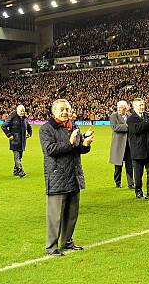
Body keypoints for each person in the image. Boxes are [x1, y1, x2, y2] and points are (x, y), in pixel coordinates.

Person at [39, 99, 94, 256]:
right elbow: (50, 149)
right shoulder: (46, 129)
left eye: (67, 109)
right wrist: (70, 143)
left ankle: (67, 241)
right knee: (55, 215)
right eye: (62, 109)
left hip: (74, 174)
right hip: (57, 175)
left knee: (72, 213)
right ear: (54, 111)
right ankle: (51, 246)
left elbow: (79, 150)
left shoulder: (73, 126)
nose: (65, 112)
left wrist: (85, 143)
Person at [127, 98, 149, 200]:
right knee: (138, 173)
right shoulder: (131, 119)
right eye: (140, 105)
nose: (142, 107)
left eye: (143, 104)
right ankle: (139, 192)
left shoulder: (147, 115)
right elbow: (137, 129)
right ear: (134, 107)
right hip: (138, 150)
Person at [2, 105, 33, 177]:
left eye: (23, 111)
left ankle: (15, 170)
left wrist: (29, 133)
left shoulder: (24, 118)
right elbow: (3, 126)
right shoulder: (12, 117)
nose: (22, 112)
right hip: (15, 140)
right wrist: (9, 135)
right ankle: (20, 170)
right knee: (17, 156)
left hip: (22, 141)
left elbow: (28, 126)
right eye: (21, 111)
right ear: (17, 111)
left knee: (20, 156)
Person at [109, 101, 134, 188]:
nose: (119, 109)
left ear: (125, 108)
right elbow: (115, 127)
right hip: (118, 144)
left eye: (121, 107)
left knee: (130, 165)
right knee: (118, 165)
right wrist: (128, 126)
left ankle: (131, 183)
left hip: (129, 144)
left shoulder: (130, 116)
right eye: (118, 107)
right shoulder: (113, 116)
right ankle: (117, 182)